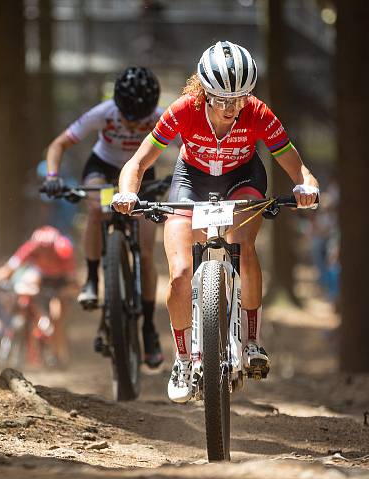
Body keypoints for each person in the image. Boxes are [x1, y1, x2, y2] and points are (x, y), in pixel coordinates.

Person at [112, 41, 320, 402]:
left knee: (243, 246)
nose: (231, 108)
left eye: (239, 99)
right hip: (191, 180)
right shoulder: (182, 111)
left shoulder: (258, 113)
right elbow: (138, 163)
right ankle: (182, 358)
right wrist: (128, 192)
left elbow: (297, 166)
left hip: (243, 180)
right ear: (204, 93)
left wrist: (307, 187)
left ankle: (252, 340)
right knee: (178, 274)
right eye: (222, 100)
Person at [42, 66, 166, 369]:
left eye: (141, 119)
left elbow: (190, 146)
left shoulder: (162, 117)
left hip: (141, 175)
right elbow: (58, 144)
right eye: (127, 117)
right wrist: (53, 175)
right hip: (103, 168)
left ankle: (149, 328)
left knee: (148, 254)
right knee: (97, 207)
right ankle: (91, 278)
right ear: (117, 106)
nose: (134, 125)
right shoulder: (104, 112)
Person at [0, 226, 76, 363]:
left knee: (57, 315)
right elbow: (10, 269)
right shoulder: (31, 248)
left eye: (47, 251)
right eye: (40, 250)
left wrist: (67, 292)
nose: (44, 254)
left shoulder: (63, 250)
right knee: (28, 283)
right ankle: (32, 324)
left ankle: (58, 351)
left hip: (61, 281)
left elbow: (73, 281)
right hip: (42, 278)